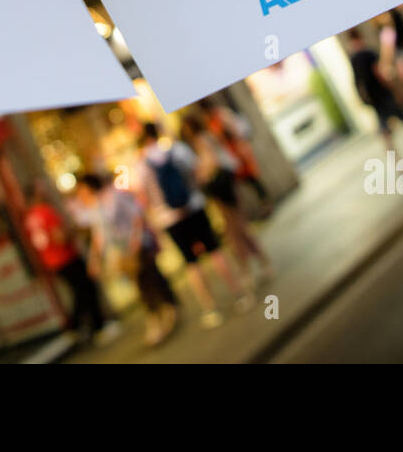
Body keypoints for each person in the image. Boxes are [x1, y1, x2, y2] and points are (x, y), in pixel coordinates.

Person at [137, 121, 249, 328]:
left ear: (143, 138)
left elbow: (143, 199)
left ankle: (210, 308)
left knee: (191, 263)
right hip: (195, 206)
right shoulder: (178, 150)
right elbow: (199, 172)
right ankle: (239, 295)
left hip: (169, 218)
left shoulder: (141, 164)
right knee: (215, 251)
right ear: (159, 131)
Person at [76, 173, 177, 347]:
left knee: (150, 280)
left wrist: (135, 243)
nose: (80, 195)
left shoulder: (115, 196)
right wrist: (95, 258)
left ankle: (164, 313)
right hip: (123, 253)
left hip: (138, 246)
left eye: (82, 190)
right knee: (142, 284)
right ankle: (160, 315)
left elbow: (137, 216)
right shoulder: (94, 208)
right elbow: (100, 235)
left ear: (90, 187)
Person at [23, 180, 119, 345]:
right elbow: (59, 237)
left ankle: (79, 327)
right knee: (85, 291)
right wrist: (75, 230)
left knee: (79, 292)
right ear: (36, 194)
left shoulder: (30, 218)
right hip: (66, 257)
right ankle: (94, 327)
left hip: (53, 262)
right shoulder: (45, 212)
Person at [182, 115, 273, 283]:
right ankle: (258, 263)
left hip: (222, 188)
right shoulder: (207, 137)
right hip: (224, 186)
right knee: (237, 228)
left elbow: (213, 162)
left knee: (237, 229)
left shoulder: (203, 140)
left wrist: (202, 172)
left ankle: (253, 266)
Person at [345, 27, 403, 155]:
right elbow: (379, 73)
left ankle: (398, 164)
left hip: (375, 101)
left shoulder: (353, 58)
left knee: (386, 134)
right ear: (360, 37)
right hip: (384, 95)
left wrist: (364, 99)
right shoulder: (368, 53)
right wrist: (394, 89)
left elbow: (357, 81)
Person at [198, 96, 271, 209]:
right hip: (230, 153)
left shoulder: (221, 115)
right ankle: (262, 203)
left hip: (238, 149)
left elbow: (234, 131)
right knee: (245, 179)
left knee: (252, 177)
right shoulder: (211, 121)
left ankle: (265, 202)